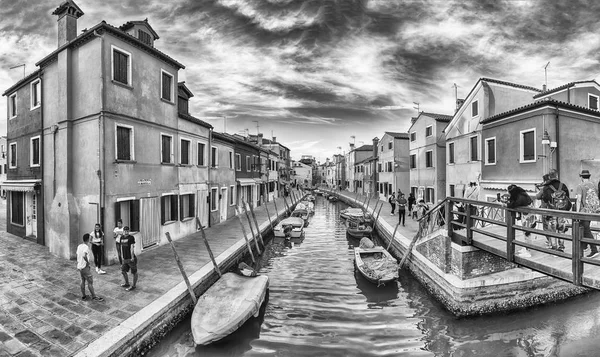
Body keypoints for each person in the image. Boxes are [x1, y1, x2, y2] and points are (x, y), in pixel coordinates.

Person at [536, 170, 571, 252]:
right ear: (557, 176)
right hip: (562, 212)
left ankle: (554, 247)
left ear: (549, 177)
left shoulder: (546, 187)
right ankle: (561, 247)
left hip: (551, 212)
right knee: (561, 230)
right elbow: (568, 198)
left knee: (552, 230)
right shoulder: (563, 185)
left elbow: (544, 199)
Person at [505, 184, 535, 258]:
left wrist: (506, 204)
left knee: (527, 233)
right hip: (526, 215)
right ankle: (525, 248)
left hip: (528, 216)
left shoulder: (521, 197)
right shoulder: (521, 194)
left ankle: (528, 251)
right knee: (525, 232)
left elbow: (514, 204)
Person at [576, 169, 600, 258]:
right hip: (592, 210)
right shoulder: (593, 185)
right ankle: (584, 246)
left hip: (584, 211)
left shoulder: (580, 186)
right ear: (589, 176)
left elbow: (579, 199)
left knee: (586, 230)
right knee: (584, 227)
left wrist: (577, 213)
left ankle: (594, 250)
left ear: (581, 177)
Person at [77, 233, 104, 301]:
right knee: (90, 282)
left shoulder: (79, 246)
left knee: (82, 280)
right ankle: (94, 296)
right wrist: (88, 263)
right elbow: (84, 255)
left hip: (80, 266)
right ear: (88, 239)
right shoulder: (86, 247)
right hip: (85, 267)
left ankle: (84, 296)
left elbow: (78, 255)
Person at [119, 226, 138, 291]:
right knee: (123, 271)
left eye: (127, 231)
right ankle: (126, 283)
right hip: (125, 258)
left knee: (134, 272)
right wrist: (122, 257)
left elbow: (132, 248)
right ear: (123, 231)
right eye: (125, 231)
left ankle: (134, 285)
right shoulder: (121, 237)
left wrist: (132, 257)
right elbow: (121, 247)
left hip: (130, 258)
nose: (126, 232)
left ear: (129, 231)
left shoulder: (131, 238)